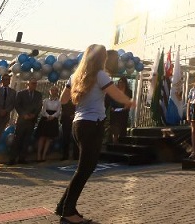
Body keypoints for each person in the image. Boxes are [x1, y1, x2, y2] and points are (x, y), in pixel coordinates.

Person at [56, 44, 133, 224]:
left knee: (83, 168)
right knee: (85, 169)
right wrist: (130, 102)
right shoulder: (100, 75)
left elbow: (63, 99)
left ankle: (63, 206)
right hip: (92, 125)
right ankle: (67, 212)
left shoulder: (75, 76)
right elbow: (115, 94)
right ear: (101, 58)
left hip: (78, 124)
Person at [11, 79, 43, 164]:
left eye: (35, 84)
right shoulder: (21, 94)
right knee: (17, 139)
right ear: (28, 84)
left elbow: (39, 106)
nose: (34, 85)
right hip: (22, 120)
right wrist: (23, 114)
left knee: (26, 140)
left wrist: (34, 115)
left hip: (31, 121)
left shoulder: (38, 95)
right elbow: (17, 105)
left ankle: (22, 158)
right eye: (33, 83)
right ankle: (12, 158)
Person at [37, 86, 62, 162]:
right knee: (42, 137)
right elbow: (43, 110)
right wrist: (48, 116)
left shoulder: (59, 101)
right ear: (50, 91)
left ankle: (44, 155)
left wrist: (53, 116)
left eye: (55, 90)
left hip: (53, 119)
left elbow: (58, 111)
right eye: (52, 90)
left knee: (48, 138)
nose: (54, 92)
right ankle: (39, 155)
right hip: (45, 119)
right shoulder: (46, 100)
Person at [106, 77, 131, 144]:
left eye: (122, 83)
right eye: (119, 82)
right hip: (114, 110)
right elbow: (111, 100)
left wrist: (125, 107)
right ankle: (112, 139)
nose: (120, 84)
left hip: (124, 111)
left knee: (122, 125)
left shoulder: (128, 91)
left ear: (125, 84)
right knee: (113, 125)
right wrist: (112, 107)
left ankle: (122, 139)